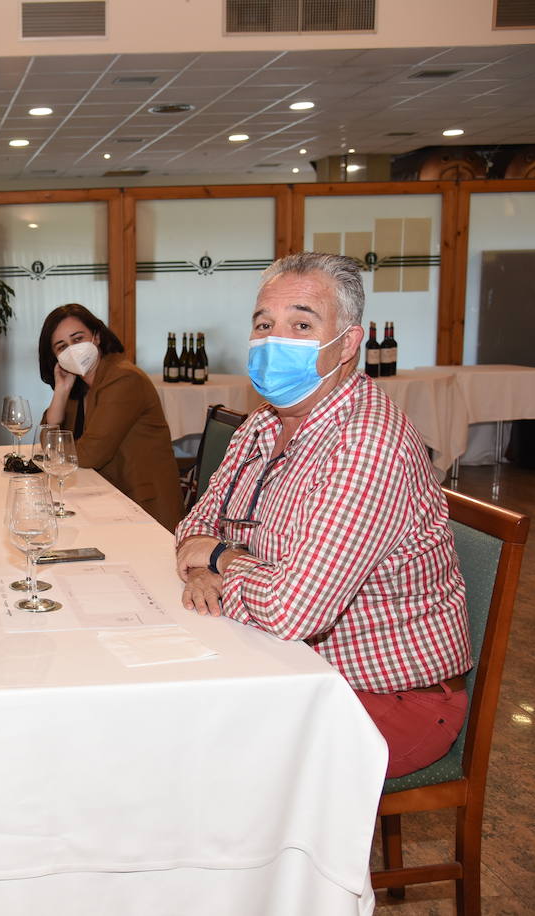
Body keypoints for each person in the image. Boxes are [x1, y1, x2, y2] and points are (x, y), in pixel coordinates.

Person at [174, 252, 471, 779]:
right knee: (171, 723)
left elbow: (293, 613)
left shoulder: (366, 443)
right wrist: (202, 561)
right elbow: (194, 524)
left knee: (200, 759)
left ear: (350, 342)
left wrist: (220, 558)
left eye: (301, 324)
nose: (273, 340)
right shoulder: (265, 423)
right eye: (264, 325)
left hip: (387, 698)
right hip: (289, 667)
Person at [39, 303, 183, 530]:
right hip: (107, 497)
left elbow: (89, 455)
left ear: (96, 336)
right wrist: (61, 391)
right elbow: (48, 442)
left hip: (143, 505)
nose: (72, 350)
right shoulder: (79, 384)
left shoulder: (123, 378)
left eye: (78, 339)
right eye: (61, 346)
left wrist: (59, 447)